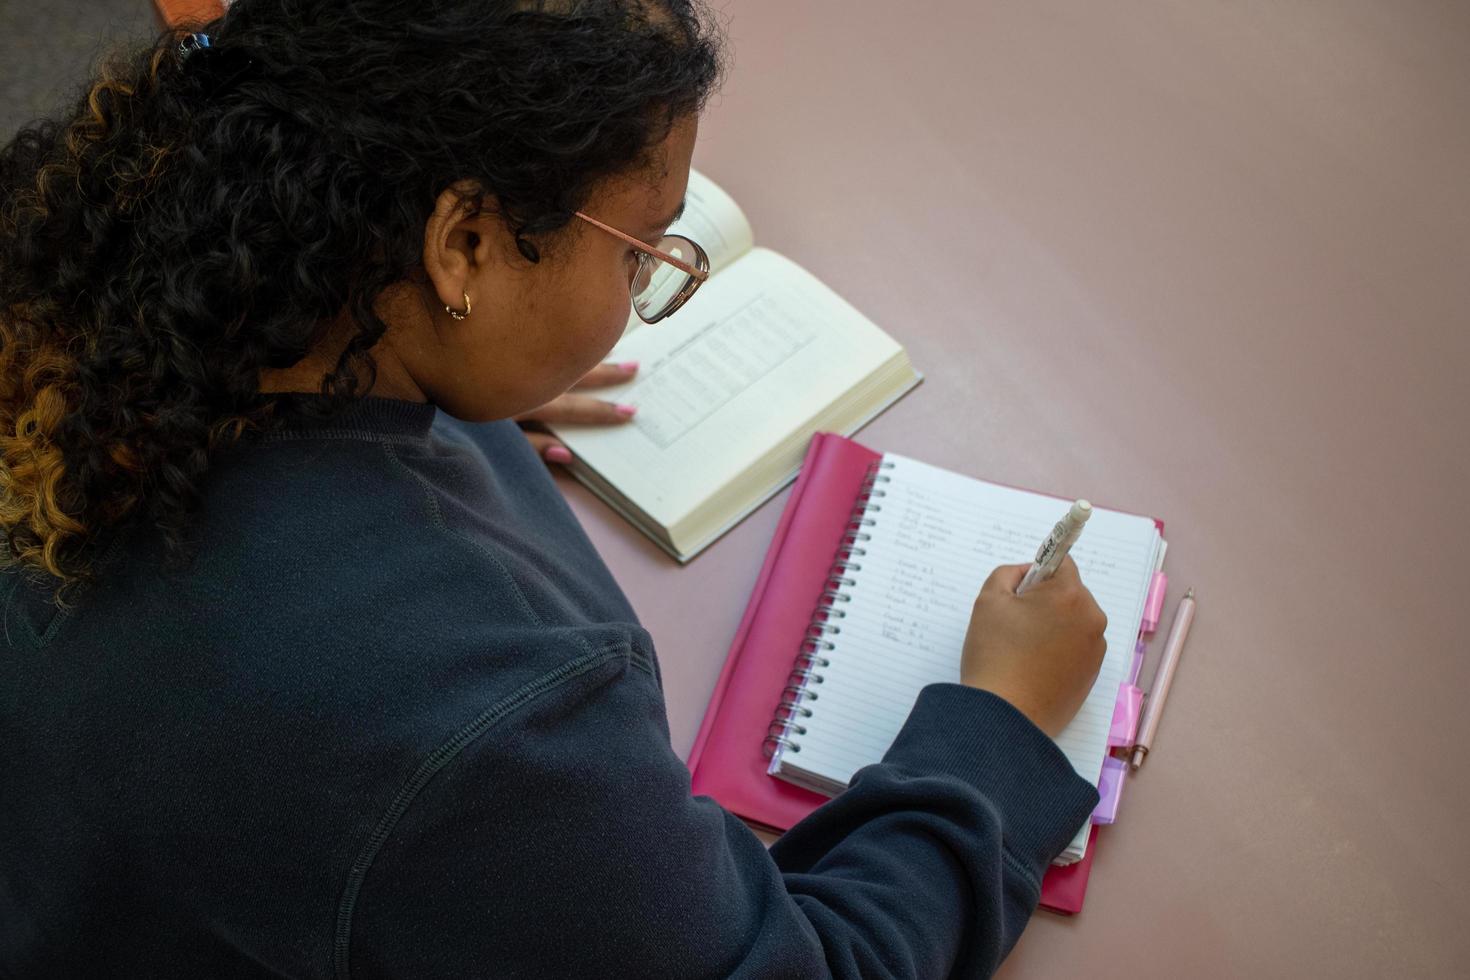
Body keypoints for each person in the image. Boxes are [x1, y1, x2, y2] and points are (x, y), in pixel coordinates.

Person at [0, 1, 1109, 976]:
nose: (642, 284)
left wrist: (431, 399)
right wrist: (996, 733)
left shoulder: (83, 301)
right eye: (640, 252)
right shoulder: (498, 713)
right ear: (465, 245)